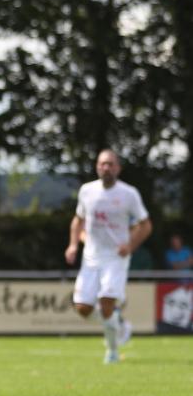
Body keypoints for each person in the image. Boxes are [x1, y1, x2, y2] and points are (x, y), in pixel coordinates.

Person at [64, 149, 152, 364]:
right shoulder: (87, 191)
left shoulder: (128, 194)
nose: (106, 167)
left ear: (118, 168)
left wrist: (130, 246)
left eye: (111, 164)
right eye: (103, 164)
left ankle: (112, 352)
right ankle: (119, 324)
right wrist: (74, 244)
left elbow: (146, 225)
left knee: (106, 304)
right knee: (83, 308)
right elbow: (78, 221)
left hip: (115, 258)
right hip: (91, 258)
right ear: (97, 167)